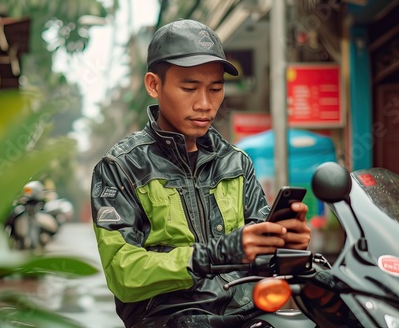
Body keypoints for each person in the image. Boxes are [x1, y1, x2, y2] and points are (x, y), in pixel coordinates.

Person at [91, 19, 311, 328]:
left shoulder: (236, 162)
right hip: (168, 319)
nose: (205, 104)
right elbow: (123, 273)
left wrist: (288, 244)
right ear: (154, 85)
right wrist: (216, 254)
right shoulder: (120, 167)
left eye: (216, 88)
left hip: (246, 314)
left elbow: (261, 254)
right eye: (189, 88)